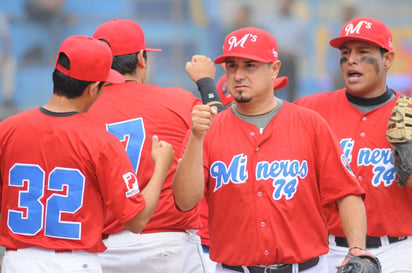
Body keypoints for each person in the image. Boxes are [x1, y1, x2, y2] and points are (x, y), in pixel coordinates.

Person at [173, 26, 369, 273]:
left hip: (306, 267)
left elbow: (346, 192)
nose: (239, 75)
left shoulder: (310, 123)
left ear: (274, 69)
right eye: (232, 66)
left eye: (250, 65)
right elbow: (185, 201)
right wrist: (195, 138)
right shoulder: (207, 129)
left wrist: (356, 249)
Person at [0, 35, 174, 273]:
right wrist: (161, 168)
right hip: (75, 263)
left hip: (19, 261)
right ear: (93, 88)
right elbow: (137, 220)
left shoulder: (7, 129)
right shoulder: (101, 141)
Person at [86, 19, 220, 273]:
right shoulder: (178, 101)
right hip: (167, 244)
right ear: (141, 58)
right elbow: (225, 130)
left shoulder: (82, 110)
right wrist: (205, 82)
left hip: (102, 250)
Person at [295, 17, 412, 273]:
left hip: (398, 250)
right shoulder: (309, 110)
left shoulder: (409, 113)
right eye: (345, 53)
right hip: (327, 249)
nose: (351, 60)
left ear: (388, 59)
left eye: (363, 52)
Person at [261, 0, 307, 102]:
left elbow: (303, 44)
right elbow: (265, 40)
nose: (285, 3)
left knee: (292, 93)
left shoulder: (298, 22)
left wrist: (292, 51)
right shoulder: (270, 21)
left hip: (290, 62)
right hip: (274, 62)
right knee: (272, 91)